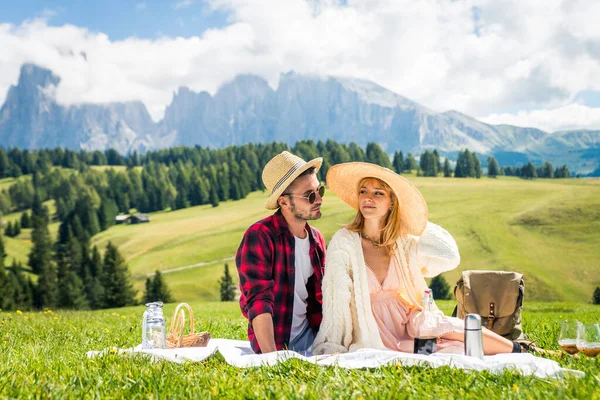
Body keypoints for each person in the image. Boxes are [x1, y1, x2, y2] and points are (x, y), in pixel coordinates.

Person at [313, 162, 523, 355]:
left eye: (378, 193)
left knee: (453, 329)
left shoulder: (403, 241)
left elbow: (449, 255)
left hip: (410, 319)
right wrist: (334, 344)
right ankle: (513, 350)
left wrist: (409, 220)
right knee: (447, 350)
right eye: (363, 192)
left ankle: (519, 350)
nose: (368, 198)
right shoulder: (345, 242)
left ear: (392, 203)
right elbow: (336, 298)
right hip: (375, 331)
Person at [236, 151, 326, 354]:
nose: (319, 199)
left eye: (319, 190)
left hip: (313, 339)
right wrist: (270, 358)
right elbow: (258, 302)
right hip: (276, 342)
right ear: (284, 202)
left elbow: (321, 300)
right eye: (310, 195)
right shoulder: (259, 236)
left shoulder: (316, 239)